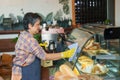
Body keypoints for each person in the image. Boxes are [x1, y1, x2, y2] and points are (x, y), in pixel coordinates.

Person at [11, 12, 75, 80]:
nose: (39, 27)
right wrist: (64, 54)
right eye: (37, 25)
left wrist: (38, 46)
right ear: (30, 25)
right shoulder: (30, 40)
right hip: (28, 71)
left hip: (23, 68)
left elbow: (28, 49)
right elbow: (45, 56)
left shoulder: (23, 34)